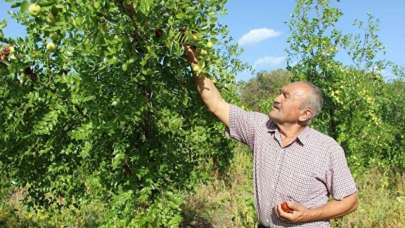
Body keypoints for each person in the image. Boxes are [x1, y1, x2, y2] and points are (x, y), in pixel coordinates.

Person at [184, 46, 359, 227]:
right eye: (279, 93)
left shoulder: (326, 149)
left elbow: (350, 201)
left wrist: (307, 215)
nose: (276, 98)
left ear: (305, 114)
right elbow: (216, 104)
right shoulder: (260, 128)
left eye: (285, 96)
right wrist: (193, 60)